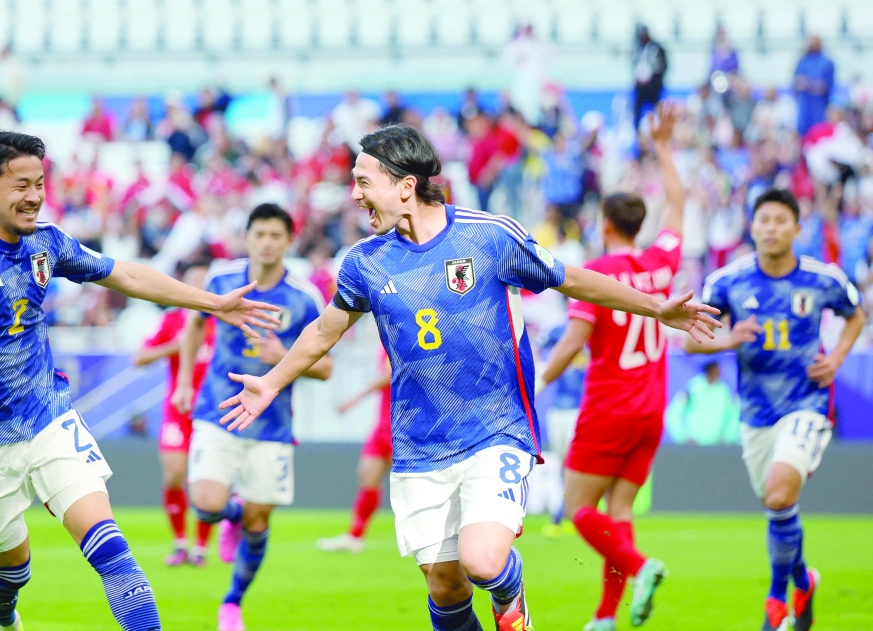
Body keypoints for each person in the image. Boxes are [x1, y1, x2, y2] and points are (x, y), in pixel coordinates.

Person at [217, 125, 720, 631]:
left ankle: (511, 592)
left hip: (495, 430)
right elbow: (325, 330)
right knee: (445, 584)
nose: (354, 195)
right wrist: (273, 381)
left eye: (363, 182)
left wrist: (657, 308)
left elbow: (571, 279)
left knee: (482, 562)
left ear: (404, 186)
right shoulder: (365, 263)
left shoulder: (488, 236)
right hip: (419, 445)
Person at [0, 130, 280, 631]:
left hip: (47, 417)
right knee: (11, 569)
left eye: (39, 182)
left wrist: (212, 302)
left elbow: (126, 275)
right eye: (21, 185)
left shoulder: (47, 241)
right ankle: (2, 615)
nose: (35, 195)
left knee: (112, 553)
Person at [686, 188, 865, 631]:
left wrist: (837, 358)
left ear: (797, 229)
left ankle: (775, 602)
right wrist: (728, 338)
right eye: (763, 220)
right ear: (751, 226)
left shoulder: (823, 278)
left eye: (780, 221)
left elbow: (856, 313)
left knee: (782, 493)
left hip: (807, 402)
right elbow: (691, 338)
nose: (771, 228)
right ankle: (804, 581)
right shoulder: (728, 281)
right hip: (756, 413)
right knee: (777, 505)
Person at [540, 103, 685, 631]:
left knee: (580, 509)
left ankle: (642, 568)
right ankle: (605, 617)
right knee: (618, 513)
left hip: (609, 406)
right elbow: (679, 207)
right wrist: (665, 149)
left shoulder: (598, 273)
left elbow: (571, 342)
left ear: (604, 225)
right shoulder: (661, 262)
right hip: (651, 407)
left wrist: (533, 380)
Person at [171, 203, 332, 631]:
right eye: (259, 233)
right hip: (217, 412)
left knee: (262, 522)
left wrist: (285, 357)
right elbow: (191, 326)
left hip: (272, 425)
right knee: (205, 505)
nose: (266, 242)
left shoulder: (303, 298)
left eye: (275, 235)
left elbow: (326, 367)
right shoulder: (222, 281)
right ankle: (232, 517)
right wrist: (185, 382)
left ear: (288, 241)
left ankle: (232, 603)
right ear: (247, 237)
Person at [131, 261, 216, 567]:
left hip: (211, 412)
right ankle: (181, 542)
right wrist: (174, 347)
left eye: (205, 284)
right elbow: (139, 357)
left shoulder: (221, 322)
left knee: (207, 480)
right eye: (194, 283)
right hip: (178, 410)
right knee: (174, 474)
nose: (199, 289)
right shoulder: (173, 320)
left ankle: (202, 547)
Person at [317, 352, 392, 553]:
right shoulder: (382, 343)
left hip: (404, 422)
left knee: (409, 484)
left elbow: (390, 374)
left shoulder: (401, 334)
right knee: (367, 475)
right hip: (383, 424)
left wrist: (354, 398)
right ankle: (355, 536)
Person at [536, 324, 586, 538]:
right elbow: (536, 345)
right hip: (559, 409)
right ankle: (569, 514)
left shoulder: (593, 325)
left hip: (582, 407)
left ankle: (565, 515)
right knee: (563, 464)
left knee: (576, 465)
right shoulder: (558, 330)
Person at [664, 360, 740, 445]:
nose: (721, 372)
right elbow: (674, 412)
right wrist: (682, 436)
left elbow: (734, 414)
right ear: (710, 370)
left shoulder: (724, 391)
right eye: (717, 368)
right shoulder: (692, 389)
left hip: (716, 447)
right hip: (693, 446)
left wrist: (728, 438)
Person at [793, 36, 835, 136]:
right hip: (804, 105)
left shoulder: (827, 62)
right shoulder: (802, 61)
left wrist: (811, 85)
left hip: (819, 105)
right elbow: (796, 82)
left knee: (819, 133)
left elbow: (827, 85)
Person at [633, 24, 668, 128]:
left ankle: (661, 129)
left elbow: (664, 66)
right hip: (641, 88)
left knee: (657, 109)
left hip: (654, 86)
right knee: (638, 110)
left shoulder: (657, 48)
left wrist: (655, 79)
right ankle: (638, 131)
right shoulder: (637, 49)